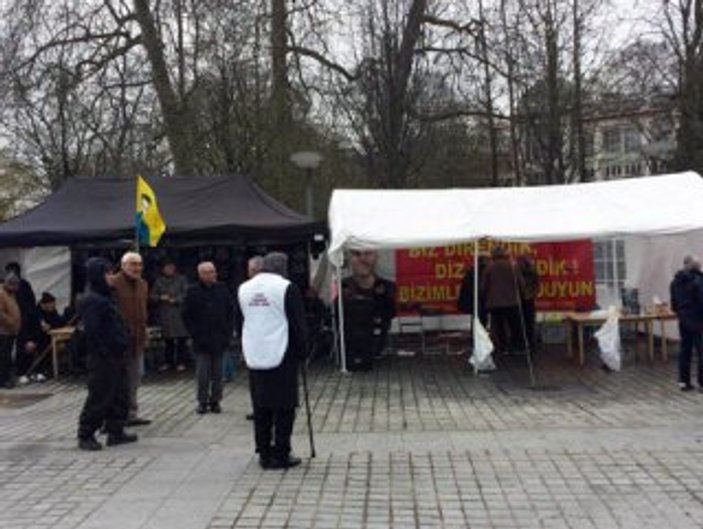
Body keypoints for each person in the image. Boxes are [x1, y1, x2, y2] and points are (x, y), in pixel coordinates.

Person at [237, 252, 308, 470]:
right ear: (283, 267)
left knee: (261, 406)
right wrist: (304, 352)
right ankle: (281, 452)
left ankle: (264, 452)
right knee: (285, 406)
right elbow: (297, 323)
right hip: (282, 351)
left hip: (254, 352)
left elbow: (240, 320)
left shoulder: (244, 288)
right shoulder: (286, 287)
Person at [77, 257, 137, 451]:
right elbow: (93, 332)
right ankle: (86, 434)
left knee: (121, 394)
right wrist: (105, 351)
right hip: (103, 357)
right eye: (108, 273)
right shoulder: (92, 299)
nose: (112, 276)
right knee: (100, 395)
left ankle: (115, 430)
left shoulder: (106, 296)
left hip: (117, 354)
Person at [182, 261, 234, 414]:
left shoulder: (222, 289)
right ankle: (202, 401)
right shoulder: (192, 291)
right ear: (200, 274)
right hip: (201, 339)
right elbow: (186, 315)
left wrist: (228, 332)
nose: (212, 275)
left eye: (213, 271)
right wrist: (194, 333)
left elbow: (231, 312)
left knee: (218, 374)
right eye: (208, 272)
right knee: (202, 375)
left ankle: (216, 401)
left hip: (219, 338)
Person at [111, 252, 151, 426]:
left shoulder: (143, 284)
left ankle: (131, 413)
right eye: (132, 264)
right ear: (123, 265)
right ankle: (116, 415)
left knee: (136, 378)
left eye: (139, 264)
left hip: (138, 339)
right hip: (119, 340)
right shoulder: (113, 283)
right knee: (118, 380)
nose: (137, 268)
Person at [340, 250, 395, 371]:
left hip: (381, 354)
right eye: (357, 254)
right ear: (349, 259)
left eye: (368, 253)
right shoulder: (340, 286)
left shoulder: (388, 287)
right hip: (351, 351)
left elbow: (391, 313)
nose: (362, 259)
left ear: (377, 256)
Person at [481, 246, 526, 354]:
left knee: (498, 327)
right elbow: (521, 283)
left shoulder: (489, 267)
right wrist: (522, 296)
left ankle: (502, 347)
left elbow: (483, 286)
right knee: (515, 325)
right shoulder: (512, 266)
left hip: (494, 303)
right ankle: (517, 347)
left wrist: (485, 297)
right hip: (512, 302)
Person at [669, 255, 703, 391]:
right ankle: (702, 383)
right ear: (696, 266)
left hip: (683, 320)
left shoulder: (675, 282)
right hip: (698, 321)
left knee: (685, 351)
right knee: (701, 352)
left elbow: (674, 304)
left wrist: (682, 313)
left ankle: (684, 382)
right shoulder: (699, 280)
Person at [150, 260, 189, 372]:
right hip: (165, 315)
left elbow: (186, 294)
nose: (169, 270)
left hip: (179, 314)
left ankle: (182, 362)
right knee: (168, 342)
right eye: (166, 267)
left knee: (181, 340)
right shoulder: (159, 281)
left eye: (171, 267)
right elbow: (152, 296)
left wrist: (175, 300)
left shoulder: (181, 279)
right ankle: (168, 362)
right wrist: (160, 297)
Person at [0, 274, 21, 388]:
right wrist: (11, 322)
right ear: (9, 284)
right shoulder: (1, 294)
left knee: (7, 356)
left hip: (10, 331)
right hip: (3, 331)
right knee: (4, 357)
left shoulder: (10, 293)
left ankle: (7, 378)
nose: (17, 289)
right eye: (15, 286)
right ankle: (3, 380)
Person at [517, 254, 540, 350]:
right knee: (530, 322)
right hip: (529, 299)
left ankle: (523, 343)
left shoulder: (517, 271)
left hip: (521, 299)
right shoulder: (533, 271)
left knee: (521, 322)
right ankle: (531, 343)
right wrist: (533, 293)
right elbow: (537, 285)